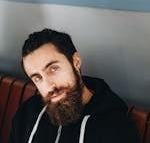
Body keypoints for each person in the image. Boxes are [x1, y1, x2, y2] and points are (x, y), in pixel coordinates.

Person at [9, 28, 140, 143]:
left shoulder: (116, 128)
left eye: (53, 69)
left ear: (76, 62)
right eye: (38, 78)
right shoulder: (27, 113)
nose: (49, 86)